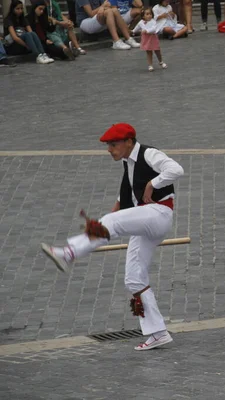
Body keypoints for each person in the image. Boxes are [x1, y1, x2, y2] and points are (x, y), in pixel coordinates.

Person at [41, 123, 184, 351]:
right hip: (145, 219)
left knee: (110, 221)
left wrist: (152, 184)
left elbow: (176, 170)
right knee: (134, 278)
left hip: (159, 213)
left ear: (129, 142)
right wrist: (113, 213)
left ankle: (68, 253)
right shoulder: (128, 162)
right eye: (108, 145)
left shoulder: (149, 153)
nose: (109, 149)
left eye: (113, 144)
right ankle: (158, 333)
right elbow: (126, 193)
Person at [76, 0, 140, 50]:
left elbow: (108, 6)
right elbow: (91, 14)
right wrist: (102, 7)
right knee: (109, 12)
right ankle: (116, 41)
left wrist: (104, 7)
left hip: (98, 18)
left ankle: (128, 39)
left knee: (114, 10)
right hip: (85, 21)